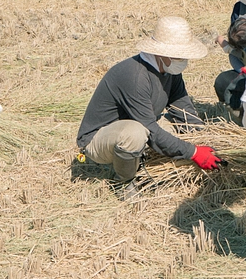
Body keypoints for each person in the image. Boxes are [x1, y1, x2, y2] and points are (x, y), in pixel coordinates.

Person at [76, 16, 223, 197]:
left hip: (141, 123)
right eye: (180, 55)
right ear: (162, 53)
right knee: (135, 133)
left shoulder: (169, 70)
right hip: (99, 139)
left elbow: (183, 109)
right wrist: (192, 152)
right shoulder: (135, 75)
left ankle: (141, 160)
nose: (184, 60)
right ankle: (124, 181)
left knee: (173, 126)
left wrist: (205, 140)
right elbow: (149, 129)